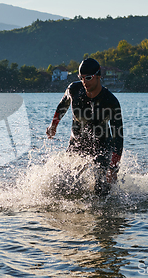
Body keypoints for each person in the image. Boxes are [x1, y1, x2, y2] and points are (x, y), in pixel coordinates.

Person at [46, 58, 123, 196]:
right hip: (77, 143)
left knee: (101, 191)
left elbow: (118, 137)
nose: (84, 82)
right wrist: (53, 125)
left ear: (98, 76)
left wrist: (113, 167)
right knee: (63, 186)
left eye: (88, 78)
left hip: (102, 147)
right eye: (81, 77)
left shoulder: (111, 101)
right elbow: (62, 107)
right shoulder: (74, 90)